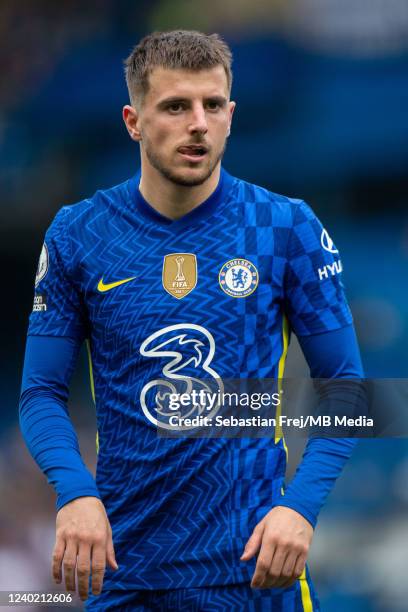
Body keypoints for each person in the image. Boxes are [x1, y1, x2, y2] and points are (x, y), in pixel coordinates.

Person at [20, 30, 364, 611]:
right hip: (125, 571)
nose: (197, 123)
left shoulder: (284, 227)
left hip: (252, 572)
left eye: (212, 105)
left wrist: (300, 506)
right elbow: (40, 391)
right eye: (176, 106)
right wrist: (74, 492)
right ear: (133, 120)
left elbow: (349, 389)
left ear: (231, 116)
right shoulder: (79, 233)